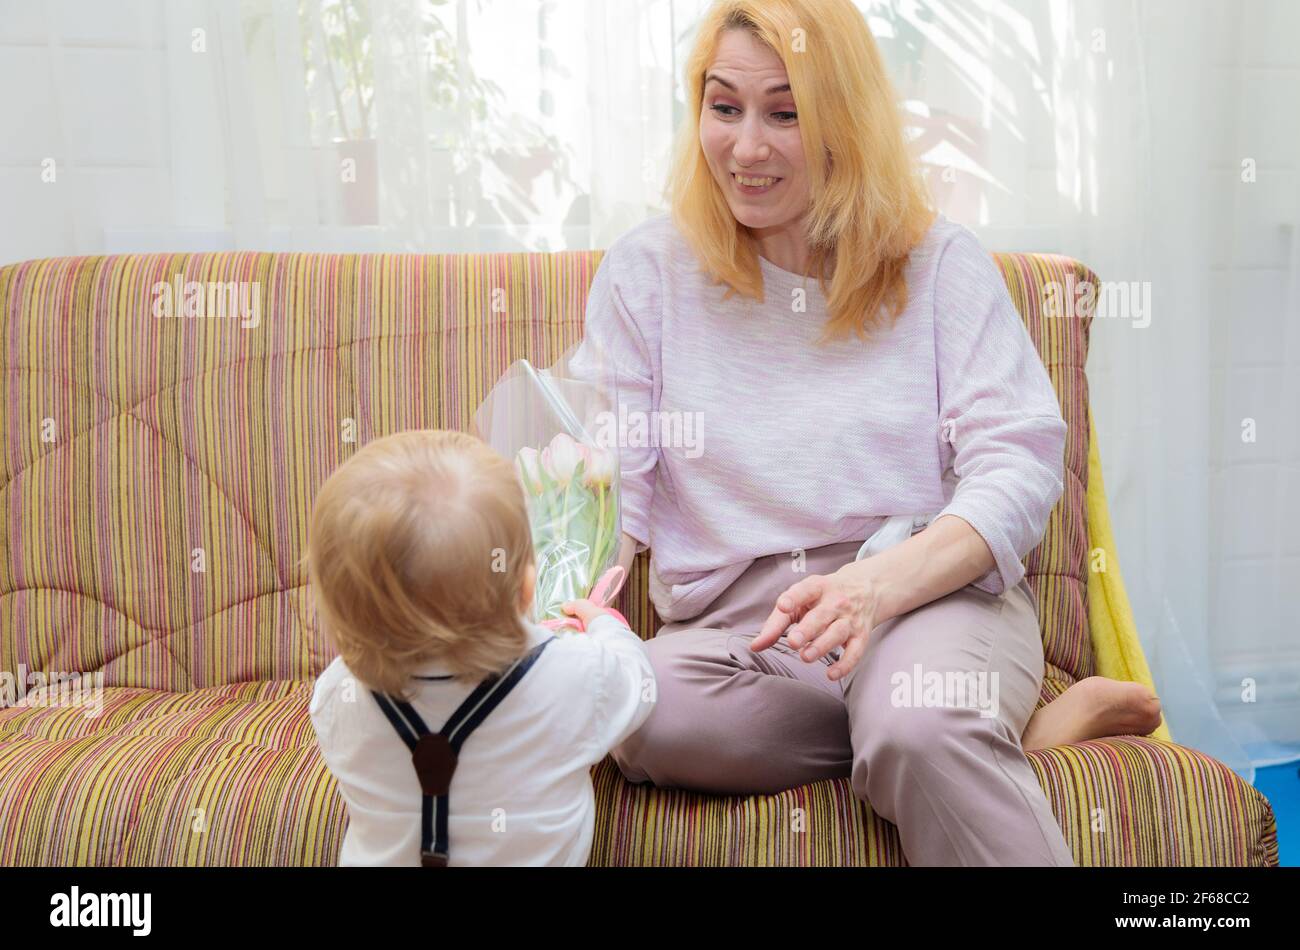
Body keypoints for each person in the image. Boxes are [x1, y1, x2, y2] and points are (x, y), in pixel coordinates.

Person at [569, 0, 1161, 865]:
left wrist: (875, 589)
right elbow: (614, 485)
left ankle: (928, 732)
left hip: (923, 595)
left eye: (787, 111)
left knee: (916, 714)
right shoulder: (647, 273)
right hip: (747, 638)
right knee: (639, 711)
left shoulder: (938, 264)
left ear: (845, 120)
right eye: (724, 106)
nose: (746, 147)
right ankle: (988, 736)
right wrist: (571, 614)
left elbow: (1018, 464)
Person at [305, 429, 656, 865]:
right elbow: (639, 683)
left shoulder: (337, 696)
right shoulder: (576, 675)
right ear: (528, 585)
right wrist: (607, 628)